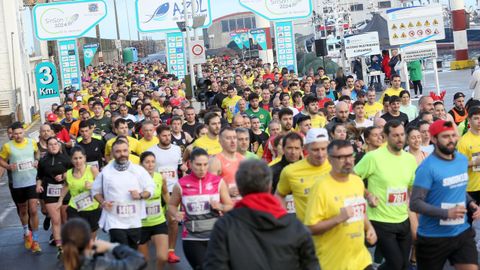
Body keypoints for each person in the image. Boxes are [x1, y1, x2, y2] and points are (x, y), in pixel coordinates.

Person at [203, 159, 319, 270]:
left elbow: (215, 265)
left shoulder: (225, 226)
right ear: (269, 186)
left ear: (240, 188)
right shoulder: (295, 226)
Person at [410, 119, 480, 270]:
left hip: (461, 232)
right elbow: (415, 203)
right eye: (445, 136)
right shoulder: (427, 168)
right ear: (434, 139)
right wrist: (446, 213)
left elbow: (459, 188)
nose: (451, 140)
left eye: (453, 135)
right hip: (433, 237)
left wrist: (471, 204)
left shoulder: (461, 160)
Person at [354, 120, 418, 270]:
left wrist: (414, 219)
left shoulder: (409, 159)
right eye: (395, 135)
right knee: (396, 264)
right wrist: (368, 194)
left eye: (402, 134)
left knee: (403, 265)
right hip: (380, 219)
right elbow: (352, 177)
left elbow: (411, 190)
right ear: (385, 137)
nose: (400, 138)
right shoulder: (373, 157)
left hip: (403, 219)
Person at [304, 140, 377, 269]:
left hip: (361, 261)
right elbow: (311, 228)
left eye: (350, 156)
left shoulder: (357, 181)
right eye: (341, 157)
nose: (348, 161)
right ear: (330, 159)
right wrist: (338, 218)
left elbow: (360, 210)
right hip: (335, 264)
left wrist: (369, 228)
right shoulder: (320, 187)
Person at [168, 148, 233, 270]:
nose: (202, 168)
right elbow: (171, 205)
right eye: (198, 164)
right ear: (190, 164)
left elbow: (230, 206)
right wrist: (175, 213)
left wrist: (220, 207)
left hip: (216, 237)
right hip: (192, 238)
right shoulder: (181, 184)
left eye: (205, 164)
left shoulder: (218, 182)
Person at [92, 139, 155, 249]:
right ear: (112, 153)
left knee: (132, 251)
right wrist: (103, 202)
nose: (122, 154)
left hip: (134, 220)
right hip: (114, 221)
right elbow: (95, 191)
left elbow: (150, 189)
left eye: (125, 151)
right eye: (118, 151)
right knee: (122, 251)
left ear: (129, 151)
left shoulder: (138, 170)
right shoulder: (106, 172)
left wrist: (140, 195)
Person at [0, 122, 41, 253]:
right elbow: (1, 159)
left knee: (33, 210)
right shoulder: (7, 146)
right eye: (15, 134)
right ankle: (26, 232)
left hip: (32, 181)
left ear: (24, 132)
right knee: (23, 210)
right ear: (12, 134)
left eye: (20, 133)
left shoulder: (31, 142)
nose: (18, 136)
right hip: (18, 183)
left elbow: (37, 152)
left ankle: (35, 240)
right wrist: (7, 166)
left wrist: (37, 160)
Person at [276, 128, 332, 221]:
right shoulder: (290, 171)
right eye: (315, 150)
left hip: (334, 230)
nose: (320, 154)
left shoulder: (336, 166)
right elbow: (279, 195)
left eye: (323, 149)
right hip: (305, 232)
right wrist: (284, 219)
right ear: (305, 148)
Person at [147, 125, 183, 263]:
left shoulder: (176, 149)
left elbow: (179, 167)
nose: (167, 138)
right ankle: (156, 249)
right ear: (158, 136)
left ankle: (171, 251)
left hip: (173, 190)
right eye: (164, 135)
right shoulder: (151, 151)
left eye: (169, 135)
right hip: (156, 191)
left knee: (173, 221)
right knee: (156, 223)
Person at [61, 218, 147, 270]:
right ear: (90, 242)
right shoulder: (99, 265)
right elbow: (139, 260)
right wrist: (111, 246)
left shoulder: (63, 266)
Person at [36, 136, 71, 257]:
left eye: (55, 144)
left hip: (65, 192)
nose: (53, 146)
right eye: (50, 144)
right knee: (56, 221)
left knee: (65, 221)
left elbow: (74, 173)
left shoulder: (66, 158)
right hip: (49, 193)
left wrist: (63, 176)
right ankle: (60, 248)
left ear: (59, 145)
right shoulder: (43, 160)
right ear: (47, 146)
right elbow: (39, 176)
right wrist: (38, 186)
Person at [60, 146, 101, 240]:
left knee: (91, 238)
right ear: (71, 159)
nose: (78, 161)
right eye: (75, 158)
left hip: (92, 208)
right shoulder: (68, 174)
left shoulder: (92, 170)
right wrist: (60, 200)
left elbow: (102, 185)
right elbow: (66, 185)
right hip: (75, 208)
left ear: (85, 158)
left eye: (80, 158)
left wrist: (93, 185)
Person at [138, 152, 169, 270]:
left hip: (158, 221)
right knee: (144, 261)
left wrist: (172, 209)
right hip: (141, 224)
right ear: (141, 164)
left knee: (163, 257)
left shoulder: (160, 177)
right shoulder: (135, 180)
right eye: (147, 162)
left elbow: (165, 193)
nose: (150, 165)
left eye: (153, 162)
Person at [209, 127, 244, 201]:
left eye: (234, 138)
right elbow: (209, 188)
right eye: (228, 138)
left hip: (242, 207)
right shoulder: (215, 161)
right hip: (224, 208)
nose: (233, 141)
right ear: (220, 141)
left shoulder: (243, 159)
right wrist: (227, 191)